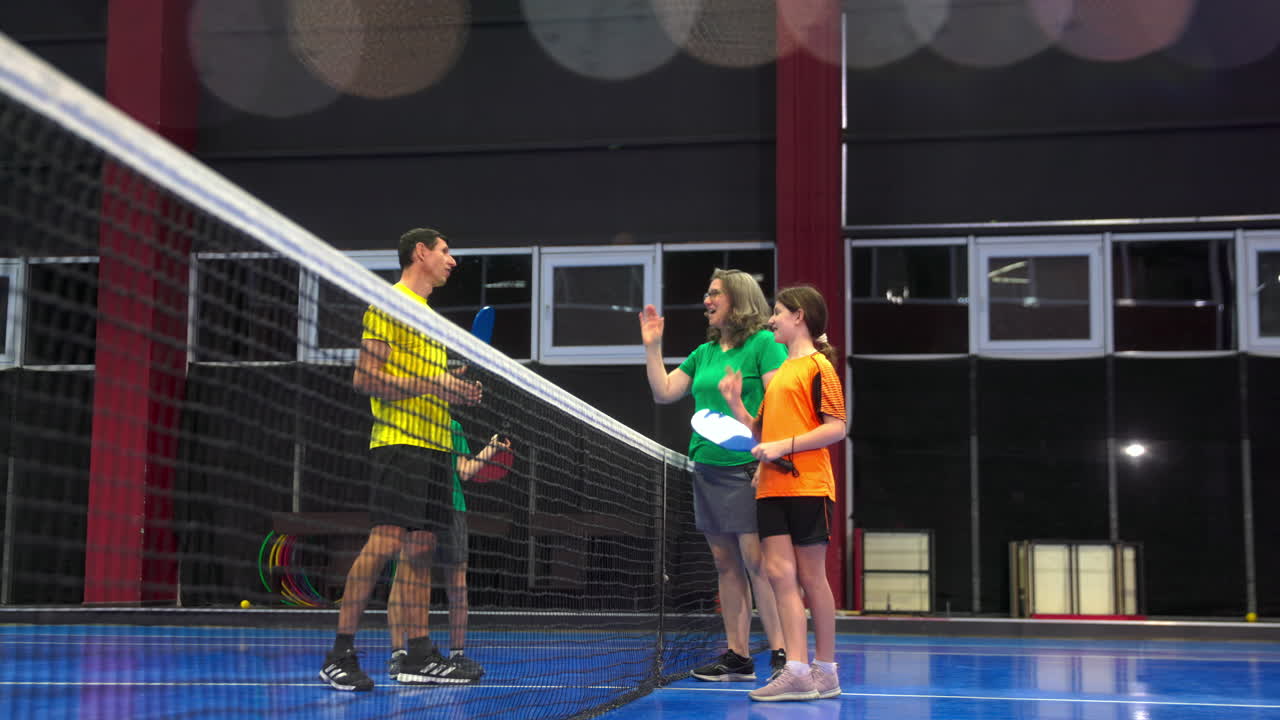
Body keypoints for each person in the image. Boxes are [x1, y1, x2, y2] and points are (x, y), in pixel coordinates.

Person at [319, 227, 483, 691]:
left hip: (434, 446)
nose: (452, 260)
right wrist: (435, 383)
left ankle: (419, 654)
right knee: (386, 542)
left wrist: (455, 388)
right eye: (446, 251)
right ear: (421, 252)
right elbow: (366, 378)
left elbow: (426, 381)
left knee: (421, 550)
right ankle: (339, 653)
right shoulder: (388, 303)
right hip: (399, 442)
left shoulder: (431, 319)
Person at [638, 268, 787, 682]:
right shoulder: (703, 353)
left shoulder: (763, 344)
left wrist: (766, 460)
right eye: (707, 292)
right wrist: (653, 347)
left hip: (749, 467)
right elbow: (664, 391)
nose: (707, 299)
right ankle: (738, 656)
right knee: (725, 564)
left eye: (715, 293)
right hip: (706, 467)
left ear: (738, 300)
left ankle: (780, 654)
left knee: (758, 562)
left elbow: (777, 404)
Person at [719, 284, 846, 702]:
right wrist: (737, 405)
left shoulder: (818, 368)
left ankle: (825, 670)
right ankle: (795, 668)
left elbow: (836, 427)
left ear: (799, 317)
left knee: (812, 577)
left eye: (777, 312)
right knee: (777, 574)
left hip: (808, 485)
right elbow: (762, 431)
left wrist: (783, 447)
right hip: (770, 487)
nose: (771, 319)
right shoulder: (778, 379)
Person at [386, 421, 512, 683]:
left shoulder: (452, 425)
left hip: (452, 508)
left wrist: (490, 448)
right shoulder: (406, 417)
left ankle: (457, 655)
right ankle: (399, 654)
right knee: (405, 578)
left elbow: (464, 471)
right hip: (415, 505)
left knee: (457, 584)